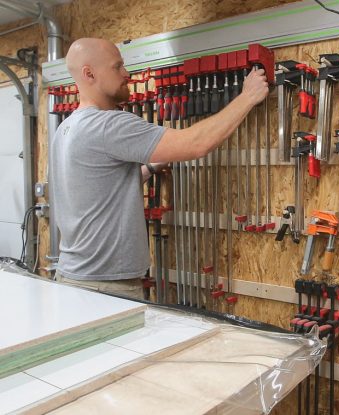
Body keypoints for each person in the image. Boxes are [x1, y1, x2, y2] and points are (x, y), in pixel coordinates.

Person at [51, 38, 268, 298]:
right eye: (117, 66)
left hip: (73, 277)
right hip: (104, 287)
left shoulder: (66, 129)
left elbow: (98, 188)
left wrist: (149, 168)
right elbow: (197, 143)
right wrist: (247, 97)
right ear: (89, 74)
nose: (126, 74)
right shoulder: (108, 125)